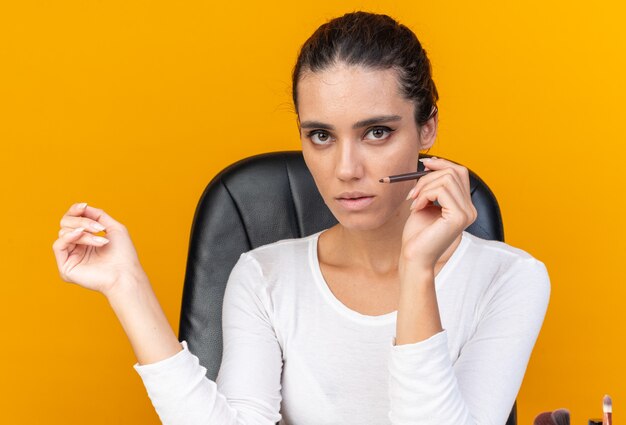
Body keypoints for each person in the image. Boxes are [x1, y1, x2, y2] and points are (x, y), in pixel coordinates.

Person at [52, 11, 550, 425]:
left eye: (376, 132)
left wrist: (417, 272)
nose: (346, 169)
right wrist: (127, 285)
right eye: (321, 136)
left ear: (427, 128)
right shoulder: (264, 275)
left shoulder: (511, 278)